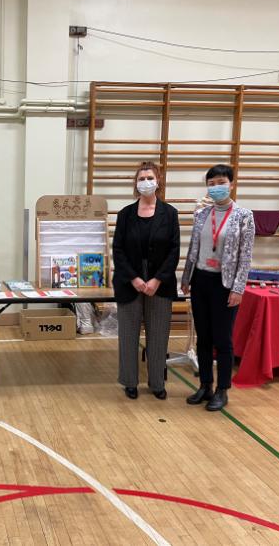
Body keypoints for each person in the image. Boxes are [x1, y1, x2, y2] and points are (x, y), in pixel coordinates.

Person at [181, 164, 255, 411]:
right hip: (201, 279)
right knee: (203, 338)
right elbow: (193, 248)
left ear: (231, 184)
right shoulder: (202, 214)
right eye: (211, 184)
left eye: (220, 182)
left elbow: (245, 256)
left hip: (225, 284)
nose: (216, 188)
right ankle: (205, 385)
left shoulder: (243, 215)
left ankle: (222, 390)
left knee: (222, 339)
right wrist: (185, 277)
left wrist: (239, 288)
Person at [112, 162, 180, 400]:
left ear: (158, 181)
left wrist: (157, 280)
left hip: (160, 284)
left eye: (149, 177)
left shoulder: (169, 214)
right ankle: (130, 381)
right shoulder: (125, 214)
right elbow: (117, 250)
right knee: (128, 335)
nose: (145, 182)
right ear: (135, 183)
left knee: (159, 335)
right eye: (141, 178)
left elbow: (174, 251)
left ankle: (157, 383)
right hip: (129, 281)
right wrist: (134, 278)